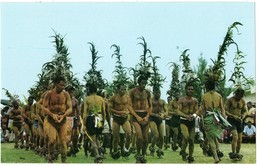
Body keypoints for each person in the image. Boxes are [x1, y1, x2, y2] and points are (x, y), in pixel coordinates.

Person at [43, 76, 72, 163]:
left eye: (64, 85)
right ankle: (50, 157)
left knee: (63, 141)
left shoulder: (66, 94)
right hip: (52, 120)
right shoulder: (49, 94)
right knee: (52, 140)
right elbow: (44, 107)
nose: (63, 87)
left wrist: (63, 116)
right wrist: (52, 115)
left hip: (62, 120)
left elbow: (70, 108)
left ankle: (64, 161)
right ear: (56, 84)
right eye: (60, 85)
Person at [199, 79, 226, 163]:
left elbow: (202, 110)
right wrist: (224, 119)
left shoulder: (204, 96)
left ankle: (216, 156)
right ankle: (216, 151)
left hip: (208, 118)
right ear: (214, 86)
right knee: (215, 137)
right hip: (217, 117)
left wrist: (202, 121)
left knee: (210, 138)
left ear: (206, 86)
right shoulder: (219, 95)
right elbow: (222, 109)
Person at [129, 75, 152, 163]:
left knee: (146, 137)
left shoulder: (147, 93)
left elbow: (150, 106)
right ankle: (138, 154)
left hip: (145, 115)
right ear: (139, 83)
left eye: (145, 83)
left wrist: (147, 116)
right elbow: (129, 106)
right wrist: (137, 116)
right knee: (139, 136)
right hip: (135, 115)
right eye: (142, 83)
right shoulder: (132, 92)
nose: (144, 85)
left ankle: (143, 154)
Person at [83, 84, 106, 163]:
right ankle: (100, 153)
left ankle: (97, 156)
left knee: (92, 139)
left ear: (89, 91)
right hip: (99, 118)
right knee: (97, 138)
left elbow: (85, 112)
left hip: (91, 118)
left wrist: (84, 124)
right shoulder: (101, 99)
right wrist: (103, 121)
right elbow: (104, 112)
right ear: (96, 91)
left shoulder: (87, 99)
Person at [176, 82, 199, 163]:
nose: (190, 91)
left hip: (192, 121)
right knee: (186, 137)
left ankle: (190, 156)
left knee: (191, 140)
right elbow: (178, 111)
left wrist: (193, 115)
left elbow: (197, 110)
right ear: (185, 90)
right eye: (189, 89)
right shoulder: (181, 99)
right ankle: (183, 151)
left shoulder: (195, 100)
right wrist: (186, 116)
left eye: (192, 89)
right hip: (183, 121)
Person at [109, 85, 132, 159]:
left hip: (124, 119)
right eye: (122, 89)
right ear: (118, 89)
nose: (124, 91)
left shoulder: (127, 98)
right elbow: (109, 108)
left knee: (128, 134)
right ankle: (115, 151)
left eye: (125, 89)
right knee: (116, 137)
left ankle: (126, 150)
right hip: (116, 118)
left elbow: (130, 107)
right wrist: (118, 112)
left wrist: (128, 112)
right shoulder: (114, 98)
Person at [225, 87, 247, 160]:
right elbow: (226, 111)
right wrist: (233, 116)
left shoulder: (242, 101)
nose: (240, 97)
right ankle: (233, 153)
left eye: (241, 96)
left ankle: (237, 154)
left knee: (240, 139)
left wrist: (243, 116)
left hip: (239, 120)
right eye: (239, 96)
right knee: (235, 136)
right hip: (231, 120)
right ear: (236, 94)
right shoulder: (230, 100)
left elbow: (245, 111)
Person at [148, 88, 168, 158]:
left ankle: (159, 151)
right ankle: (152, 148)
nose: (158, 94)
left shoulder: (163, 101)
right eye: (156, 92)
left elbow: (166, 111)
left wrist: (163, 114)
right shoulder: (150, 100)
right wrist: (154, 114)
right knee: (156, 135)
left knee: (162, 136)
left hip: (159, 119)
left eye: (159, 92)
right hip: (152, 119)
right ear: (153, 92)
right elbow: (148, 111)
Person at [66, 85, 81, 157]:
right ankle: (69, 149)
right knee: (67, 136)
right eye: (69, 92)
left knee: (75, 135)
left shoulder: (75, 101)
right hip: (65, 119)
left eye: (72, 92)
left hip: (73, 119)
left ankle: (74, 148)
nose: (71, 93)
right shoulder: (64, 100)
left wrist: (79, 120)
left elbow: (78, 111)